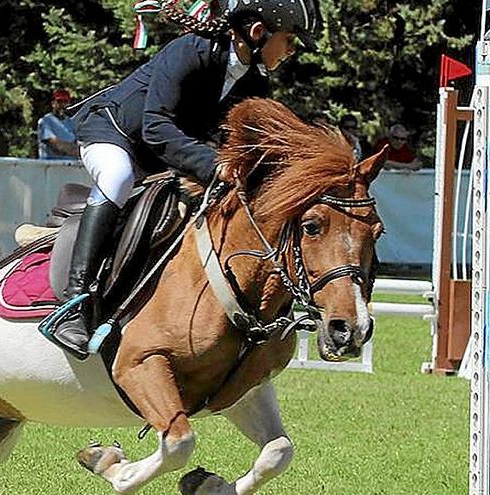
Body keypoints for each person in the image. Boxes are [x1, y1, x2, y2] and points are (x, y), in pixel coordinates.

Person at [49, 0, 322, 360]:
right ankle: (75, 302)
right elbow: (157, 126)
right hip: (114, 133)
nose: (291, 51)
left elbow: (240, 140)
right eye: (289, 40)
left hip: (160, 154)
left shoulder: (254, 80)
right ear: (258, 33)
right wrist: (214, 166)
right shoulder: (189, 52)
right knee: (117, 178)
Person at [37, 89, 79, 159]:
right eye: (59, 101)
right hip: (51, 167)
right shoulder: (46, 121)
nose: (62, 105)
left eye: (65, 102)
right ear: (53, 103)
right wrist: (79, 152)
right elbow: (57, 146)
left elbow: (79, 142)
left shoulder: (71, 122)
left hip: (72, 166)